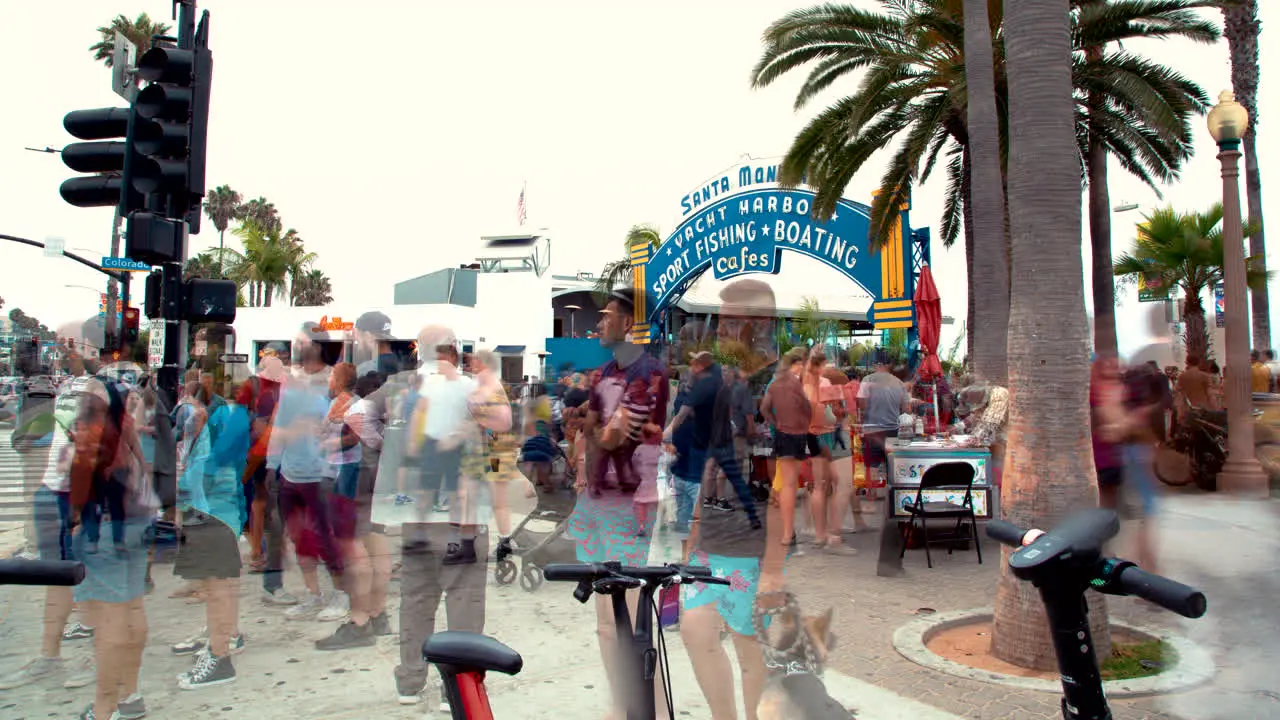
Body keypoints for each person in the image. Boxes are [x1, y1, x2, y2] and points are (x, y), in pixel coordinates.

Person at [568, 288, 670, 719]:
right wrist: (585, 459)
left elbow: (606, 435)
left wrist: (591, 435)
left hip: (630, 506)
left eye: (608, 316)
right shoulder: (603, 373)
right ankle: (622, 704)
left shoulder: (649, 375)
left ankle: (651, 709)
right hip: (598, 501)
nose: (600, 323)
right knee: (606, 624)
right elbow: (587, 432)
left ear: (630, 323)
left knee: (631, 621)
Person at [394, 324, 489, 710]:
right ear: (454, 350)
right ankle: (461, 688)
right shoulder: (469, 389)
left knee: (416, 599)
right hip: (458, 514)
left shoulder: (408, 391)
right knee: (464, 601)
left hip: (417, 514)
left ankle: (409, 681)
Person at [67, 375, 156, 720]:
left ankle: (105, 707)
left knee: (110, 620)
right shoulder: (126, 429)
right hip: (138, 524)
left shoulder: (93, 431)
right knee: (133, 608)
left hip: (103, 529)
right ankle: (130, 695)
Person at [169, 373, 251, 689]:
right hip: (216, 514)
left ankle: (219, 656)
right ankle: (224, 639)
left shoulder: (222, 422)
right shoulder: (224, 419)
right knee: (221, 587)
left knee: (218, 588)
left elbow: (209, 471)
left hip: (211, 515)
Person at [267, 323, 346, 621]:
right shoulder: (290, 381)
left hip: (321, 473)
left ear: (316, 345)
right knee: (300, 538)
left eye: (302, 341)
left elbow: (342, 423)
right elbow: (279, 424)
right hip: (291, 472)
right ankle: (313, 595)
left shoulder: (332, 380)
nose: (297, 345)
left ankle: (341, 594)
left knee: (326, 537)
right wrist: (272, 465)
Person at [760, 348, 811, 548]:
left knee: (785, 484)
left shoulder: (774, 384)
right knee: (791, 484)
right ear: (797, 364)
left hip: (781, 435)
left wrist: (776, 423)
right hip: (796, 435)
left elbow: (764, 409)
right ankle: (788, 533)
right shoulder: (796, 384)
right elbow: (807, 409)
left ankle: (786, 533)